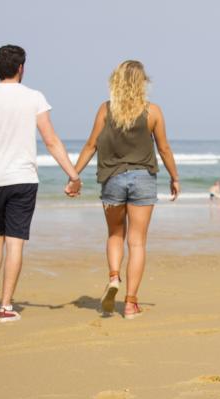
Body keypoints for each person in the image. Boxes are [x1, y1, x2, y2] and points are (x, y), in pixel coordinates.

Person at [0, 45, 81, 323]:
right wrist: (73, 174)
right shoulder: (34, 97)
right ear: (21, 68)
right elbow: (51, 140)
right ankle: (7, 305)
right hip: (22, 178)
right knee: (16, 241)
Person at [73, 60, 180, 319]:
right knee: (138, 242)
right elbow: (164, 148)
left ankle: (113, 278)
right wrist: (174, 177)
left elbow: (90, 145)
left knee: (115, 235)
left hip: (112, 178)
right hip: (143, 179)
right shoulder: (153, 112)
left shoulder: (105, 110)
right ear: (143, 82)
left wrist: (73, 175)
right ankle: (131, 304)